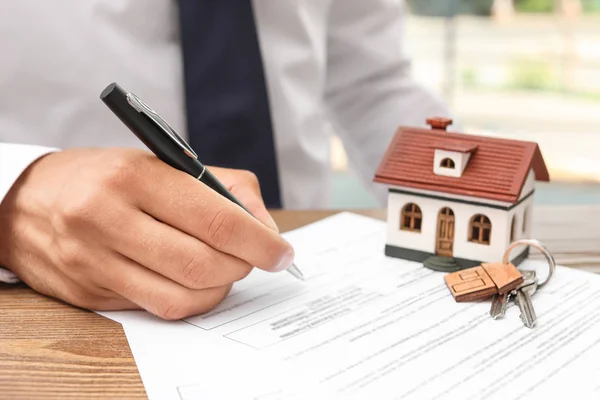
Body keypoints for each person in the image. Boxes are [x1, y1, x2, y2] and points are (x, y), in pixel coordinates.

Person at [0, 0, 452, 319]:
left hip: (302, 237)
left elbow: (371, 83)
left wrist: (470, 194)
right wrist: (12, 197)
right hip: (62, 296)